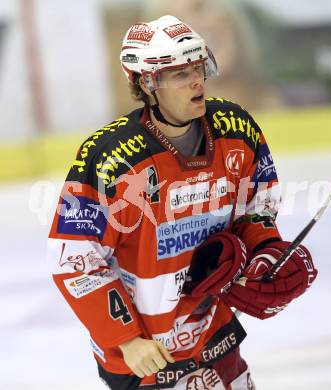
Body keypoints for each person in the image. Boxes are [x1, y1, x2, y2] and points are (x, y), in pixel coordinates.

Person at [48, 15, 317, 389]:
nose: (197, 81)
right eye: (180, 74)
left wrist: (266, 250)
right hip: (145, 354)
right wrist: (125, 339)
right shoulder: (111, 159)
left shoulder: (235, 127)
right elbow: (73, 256)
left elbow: (257, 205)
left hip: (213, 333)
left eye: (198, 67)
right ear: (146, 82)